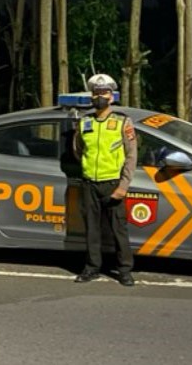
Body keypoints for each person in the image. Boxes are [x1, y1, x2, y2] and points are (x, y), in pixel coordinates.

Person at [72, 74, 137, 285]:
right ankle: (91, 268)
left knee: (119, 230)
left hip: (113, 184)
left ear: (112, 96)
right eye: (97, 93)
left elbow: (131, 156)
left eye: (104, 93)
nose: (100, 96)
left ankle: (125, 271)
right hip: (89, 183)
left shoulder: (122, 122)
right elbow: (78, 150)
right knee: (92, 229)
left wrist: (123, 186)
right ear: (92, 96)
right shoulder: (85, 122)